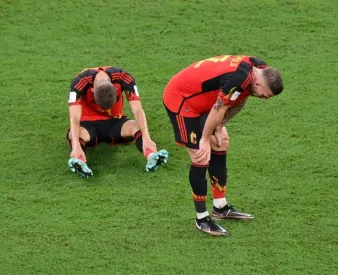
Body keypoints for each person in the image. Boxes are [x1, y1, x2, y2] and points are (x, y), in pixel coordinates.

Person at [163, 55, 283, 236]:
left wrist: (220, 126)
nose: (264, 99)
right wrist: (204, 140)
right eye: (265, 95)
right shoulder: (239, 78)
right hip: (181, 101)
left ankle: (220, 207)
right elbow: (218, 108)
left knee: (221, 143)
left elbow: (240, 98)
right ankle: (201, 218)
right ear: (258, 84)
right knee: (200, 156)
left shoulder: (258, 69)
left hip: (200, 102)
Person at [67, 66, 168, 178]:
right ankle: (80, 161)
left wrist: (146, 137)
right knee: (74, 134)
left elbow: (138, 110)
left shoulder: (124, 78)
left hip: (115, 122)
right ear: (92, 90)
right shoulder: (79, 82)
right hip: (89, 124)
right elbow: (74, 118)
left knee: (137, 126)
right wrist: (76, 145)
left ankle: (152, 155)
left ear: (115, 90)